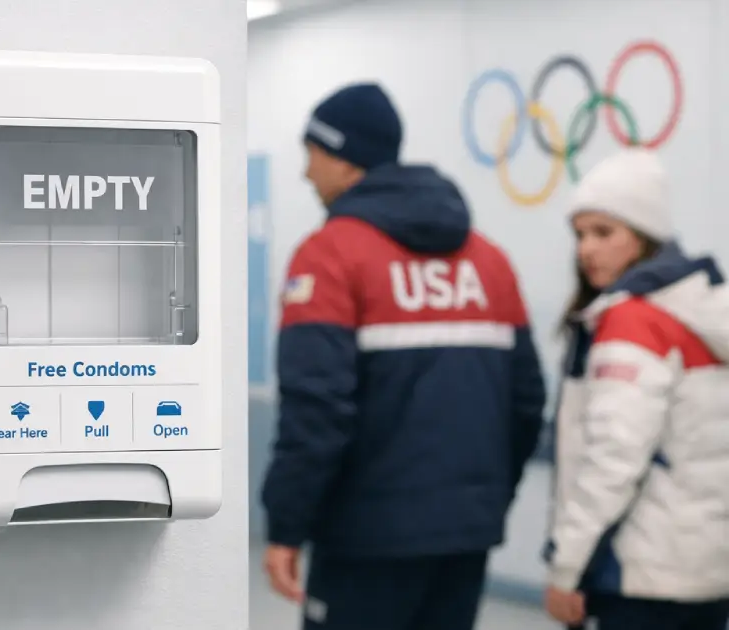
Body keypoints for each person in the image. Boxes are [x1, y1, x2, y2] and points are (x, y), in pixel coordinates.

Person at [260, 81, 547, 630]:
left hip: (365, 539)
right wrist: (483, 499)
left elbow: (316, 412)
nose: (305, 172)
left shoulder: (330, 256)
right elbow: (527, 402)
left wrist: (286, 525)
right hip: (466, 534)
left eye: (312, 153)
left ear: (345, 160)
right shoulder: (489, 262)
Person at [543, 148, 729, 630]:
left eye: (604, 232)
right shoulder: (703, 309)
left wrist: (567, 568)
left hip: (641, 575)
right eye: (580, 234)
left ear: (644, 237)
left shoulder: (633, 321)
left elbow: (612, 460)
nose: (586, 249)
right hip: (708, 574)